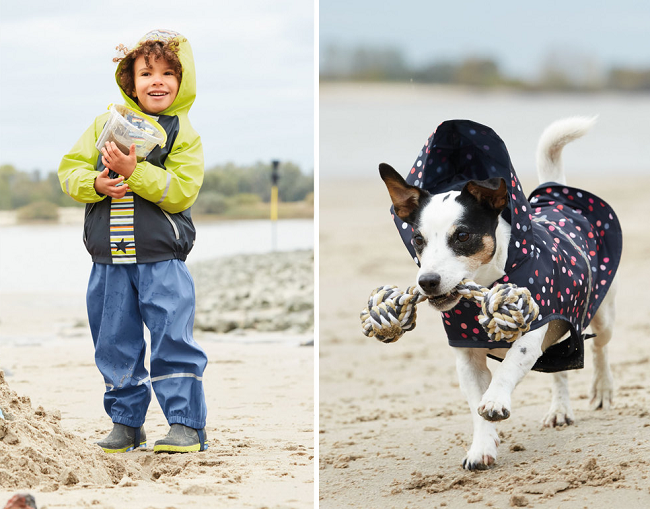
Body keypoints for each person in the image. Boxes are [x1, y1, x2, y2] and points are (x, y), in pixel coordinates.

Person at [58, 29, 208, 453]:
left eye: (167, 73)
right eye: (146, 73)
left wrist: (135, 169)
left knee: (172, 339)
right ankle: (126, 423)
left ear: (183, 82)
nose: (156, 81)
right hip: (107, 261)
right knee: (113, 343)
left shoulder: (183, 134)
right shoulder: (104, 125)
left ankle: (185, 425)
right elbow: (68, 172)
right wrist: (97, 182)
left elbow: (183, 191)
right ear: (130, 81)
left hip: (162, 259)